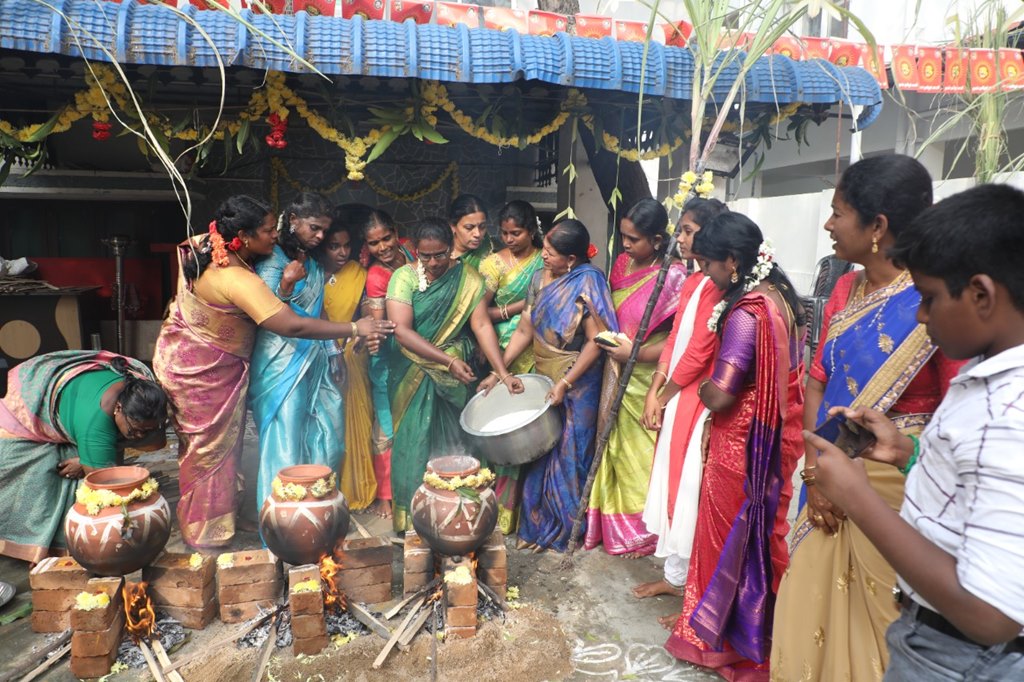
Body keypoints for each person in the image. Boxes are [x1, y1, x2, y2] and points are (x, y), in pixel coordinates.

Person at [805, 184, 1024, 680]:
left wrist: (857, 497)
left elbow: (991, 616)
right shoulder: (988, 374)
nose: (920, 316)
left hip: (959, 655)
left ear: (982, 295)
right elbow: (971, 479)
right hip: (938, 637)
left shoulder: (1008, 414)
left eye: (928, 299)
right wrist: (908, 451)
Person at [771, 155, 963, 680]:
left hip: (892, 495)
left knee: (879, 631)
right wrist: (817, 473)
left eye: (838, 213)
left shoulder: (936, 300)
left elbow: (955, 415)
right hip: (826, 476)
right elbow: (817, 381)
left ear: (877, 226)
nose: (828, 225)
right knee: (807, 611)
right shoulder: (845, 289)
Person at [153, 195, 392, 548]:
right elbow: (287, 322)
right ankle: (280, 531)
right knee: (284, 443)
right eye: (314, 228)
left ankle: (316, 513)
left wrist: (332, 352)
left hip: (314, 357)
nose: (320, 237)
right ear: (291, 220)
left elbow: (318, 309)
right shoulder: (264, 265)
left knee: (329, 436)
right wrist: (355, 328)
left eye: (324, 230)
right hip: (280, 363)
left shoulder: (305, 258)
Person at [664, 213, 806, 681]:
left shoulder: (747, 313)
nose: (706, 274)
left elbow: (723, 392)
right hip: (772, 432)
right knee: (756, 537)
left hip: (740, 442)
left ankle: (720, 639)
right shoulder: (780, 297)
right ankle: (753, 630)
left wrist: (703, 389)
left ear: (732, 260)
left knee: (726, 536)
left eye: (708, 264)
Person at [480, 220, 617, 552]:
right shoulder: (539, 278)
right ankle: (536, 526)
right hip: (544, 378)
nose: (543, 256)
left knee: (570, 454)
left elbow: (597, 341)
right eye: (544, 249)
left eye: (551, 253)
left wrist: (566, 383)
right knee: (541, 452)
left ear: (571, 259)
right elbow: (524, 330)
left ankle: (563, 531)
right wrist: (499, 371)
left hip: (578, 382)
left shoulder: (588, 281)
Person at [386, 217, 524, 533]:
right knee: (413, 441)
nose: (434, 263)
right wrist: (447, 362)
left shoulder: (469, 279)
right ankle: (415, 519)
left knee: (458, 441)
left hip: (456, 374)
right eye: (425, 256)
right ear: (415, 251)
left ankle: (458, 514)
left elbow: (482, 325)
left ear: (451, 248)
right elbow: (402, 332)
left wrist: (503, 373)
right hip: (413, 370)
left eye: (440, 255)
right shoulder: (403, 277)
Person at [633, 197, 729, 608]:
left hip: (697, 396)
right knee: (673, 482)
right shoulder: (692, 282)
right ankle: (676, 577)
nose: (680, 238)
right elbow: (674, 341)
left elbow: (699, 351)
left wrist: (665, 395)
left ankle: (693, 584)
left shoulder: (717, 286)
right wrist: (655, 390)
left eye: (688, 231)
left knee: (689, 487)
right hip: (676, 392)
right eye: (681, 230)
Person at [584, 198, 686, 557]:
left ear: (657, 240)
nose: (625, 245)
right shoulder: (622, 265)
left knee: (642, 453)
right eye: (623, 236)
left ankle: (644, 529)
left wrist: (636, 355)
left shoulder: (675, 277)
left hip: (649, 377)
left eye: (634, 239)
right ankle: (612, 524)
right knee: (613, 446)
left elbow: (679, 340)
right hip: (616, 367)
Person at [0, 351, 167, 562]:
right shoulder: (95, 425)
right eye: (135, 429)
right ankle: (35, 546)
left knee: (97, 457)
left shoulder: (146, 395)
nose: (141, 435)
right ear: (118, 408)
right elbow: (106, 491)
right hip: (20, 400)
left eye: (148, 429)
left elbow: (157, 442)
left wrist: (85, 460)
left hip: (81, 406)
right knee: (53, 474)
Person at [477, 200, 544, 534]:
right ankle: (493, 508)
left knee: (529, 428)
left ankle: (522, 513)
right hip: (500, 350)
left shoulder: (546, 260)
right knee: (501, 429)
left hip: (537, 351)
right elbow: (479, 314)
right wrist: (518, 307)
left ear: (531, 230)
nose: (509, 239)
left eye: (516, 233)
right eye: (504, 233)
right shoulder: (492, 264)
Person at [320, 207, 379, 512]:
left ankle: (355, 489)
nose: (342, 252)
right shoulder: (311, 274)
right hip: (315, 357)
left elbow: (368, 308)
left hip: (352, 354)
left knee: (356, 422)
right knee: (324, 427)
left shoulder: (358, 273)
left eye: (346, 246)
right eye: (334, 246)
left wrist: (360, 333)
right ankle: (321, 486)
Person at [359, 207, 416, 519]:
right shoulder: (377, 275)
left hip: (417, 349)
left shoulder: (410, 250)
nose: (382, 247)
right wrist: (374, 340)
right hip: (389, 354)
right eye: (373, 243)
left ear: (396, 233)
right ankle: (385, 495)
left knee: (413, 422)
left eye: (386, 238)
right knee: (387, 426)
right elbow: (381, 323)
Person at [448, 194, 493, 270]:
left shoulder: (493, 252)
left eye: (482, 227)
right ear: (452, 226)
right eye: (469, 227)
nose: (477, 234)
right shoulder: (438, 252)